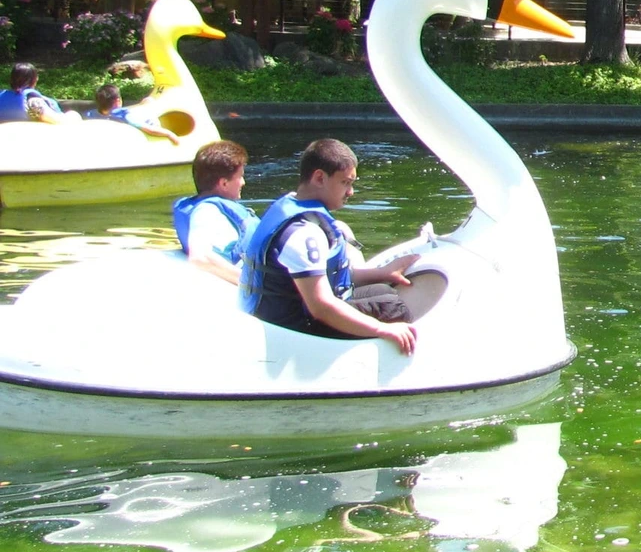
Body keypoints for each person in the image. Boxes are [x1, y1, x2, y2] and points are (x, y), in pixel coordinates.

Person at [240, 138, 420, 353]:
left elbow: (327, 276)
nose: (351, 192)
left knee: (383, 291)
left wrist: (382, 273)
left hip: (300, 311)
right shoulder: (302, 233)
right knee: (391, 308)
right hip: (294, 330)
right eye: (345, 182)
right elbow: (321, 307)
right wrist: (382, 329)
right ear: (319, 178)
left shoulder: (291, 203)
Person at [174, 140, 260, 284]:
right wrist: (256, 285)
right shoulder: (206, 211)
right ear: (224, 183)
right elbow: (200, 258)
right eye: (240, 176)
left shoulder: (205, 206)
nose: (243, 182)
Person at [89, 83, 180, 142]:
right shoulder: (125, 116)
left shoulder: (90, 114)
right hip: (146, 126)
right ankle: (147, 103)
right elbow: (150, 129)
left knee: (146, 102)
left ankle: (146, 102)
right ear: (118, 101)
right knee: (148, 104)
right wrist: (170, 134)